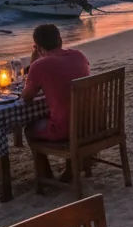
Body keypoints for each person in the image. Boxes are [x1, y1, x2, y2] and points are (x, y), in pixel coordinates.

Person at [22, 24, 90, 180]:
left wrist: (33, 64)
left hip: (64, 130)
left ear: (37, 47)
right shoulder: (79, 56)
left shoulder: (39, 65)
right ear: (60, 39)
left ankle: (45, 175)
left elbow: (26, 97)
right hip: (89, 123)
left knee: (30, 128)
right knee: (65, 110)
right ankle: (72, 166)